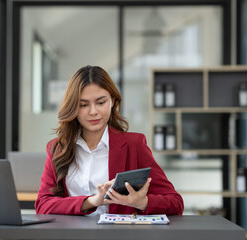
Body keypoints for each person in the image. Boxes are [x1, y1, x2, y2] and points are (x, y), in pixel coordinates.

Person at [35, 65, 184, 216]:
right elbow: (43, 205)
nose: (93, 112)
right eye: (83, 105)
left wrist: (142, 202)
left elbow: (175, 203)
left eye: (101, 103)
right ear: (73, 107)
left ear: (112, 101)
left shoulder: (134, 145)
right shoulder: (58, 148)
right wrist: (92, 201)